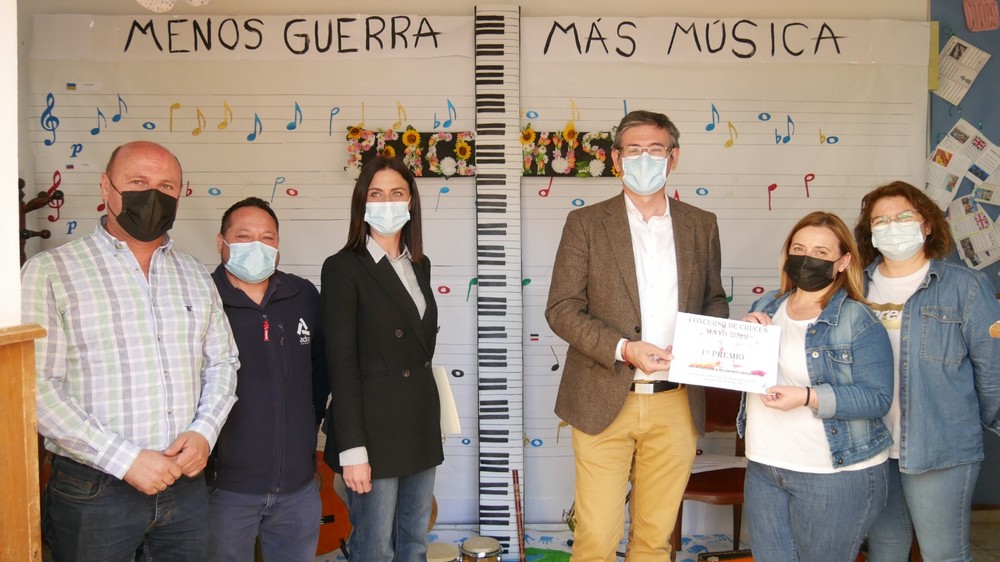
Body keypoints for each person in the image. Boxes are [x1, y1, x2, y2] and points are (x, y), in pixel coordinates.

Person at [21, 140, 240, 561]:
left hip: (185, 487)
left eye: (166, 186)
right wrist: (125, 460)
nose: (153, 195)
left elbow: (222, 362)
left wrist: (204, 432)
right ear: (106, 187)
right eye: (138, 182)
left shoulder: (195, 274)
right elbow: (35, 387)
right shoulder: (50, 272)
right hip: (95, 491)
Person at [545, 110, 729, 561]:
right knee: (596, 539)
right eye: (633, 150)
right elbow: (562, 309)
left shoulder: (701, 224)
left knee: (654, 541)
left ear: (673, 158)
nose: (644, 159)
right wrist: (624, 348)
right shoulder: (586, 223)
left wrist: (699, 343)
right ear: (616, 159)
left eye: (655, 149)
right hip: (602, 396)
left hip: (676, 401)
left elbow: (714, 299)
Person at [856, 181, 1000, 562]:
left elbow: (993, 370)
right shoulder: (854, 287)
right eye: (880, 220)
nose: (892, 226)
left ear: (927, 224)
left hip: (941, 445)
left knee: (943, 553)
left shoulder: (967, 287)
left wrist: (961, 426)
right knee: (885, 551)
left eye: (904, 216)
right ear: (870, 232)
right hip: (870, 444)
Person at [737, 211, 893, 562]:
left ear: (843, 262)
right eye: (799, 249)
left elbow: (878, 398)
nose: (807, 259)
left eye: (821, 252)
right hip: (765, 466)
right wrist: (743, 337)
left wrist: (808, 397)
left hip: (832, 473)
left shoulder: (857, 319)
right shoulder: (767, 305)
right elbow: (744, 373)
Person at [321, 155, 441, 562]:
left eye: (396, 193)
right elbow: (342, 365)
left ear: (410, 202)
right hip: (371, 433)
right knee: (374, 550)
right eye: (376, 194)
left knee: (414, 545)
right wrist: (353, 450)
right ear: (362, 202)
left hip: (419, 424)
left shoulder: (419, 265)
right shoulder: (343, 268)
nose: (387, 203)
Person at [206, 197, 329, 562]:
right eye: (243, 236)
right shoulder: (201, 298)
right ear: (221, 243)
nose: (256, 246)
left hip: (298, 487)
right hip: (225, 490)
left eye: (267, 237)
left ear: (278, 246)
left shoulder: (303, 295)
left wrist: (309, 423)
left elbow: (321, 366)